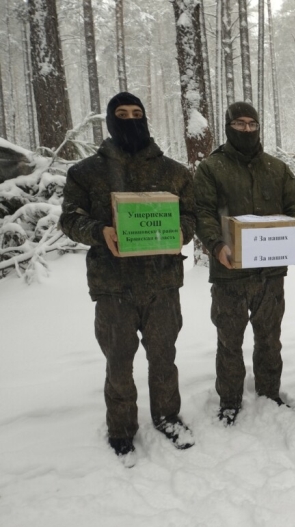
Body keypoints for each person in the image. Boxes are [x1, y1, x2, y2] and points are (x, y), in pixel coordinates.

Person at [59, 92, 197, 459]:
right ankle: (121, 428)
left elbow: (192, 217)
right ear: (110, 120)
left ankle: (168, 416)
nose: (131, 119)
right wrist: (99, 231)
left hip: (163, 282)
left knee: (164, 357)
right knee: (119, 359)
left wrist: (180, 233)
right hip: (113, 284)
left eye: (137, 114)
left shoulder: (174, 173)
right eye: (122, 114)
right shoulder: (86, 173)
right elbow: (69, 218)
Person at [194, 102, 295, 426]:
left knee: (270, 337)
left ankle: (269, 392)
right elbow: (202, 211)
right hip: (230, 273)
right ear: (228, 126)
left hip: (271, 274)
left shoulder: (276, 168)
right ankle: (229, 399)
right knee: (230, 340)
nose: (245, 129)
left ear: (258, 127)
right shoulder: (212, 168)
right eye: (239, 124)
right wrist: (217, 245)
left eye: (251, 124)